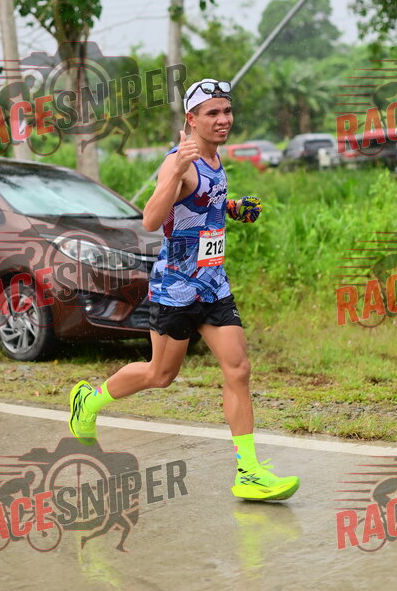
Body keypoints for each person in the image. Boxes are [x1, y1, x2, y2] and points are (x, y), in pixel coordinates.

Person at [68, 78, 300, 501]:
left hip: (213, 284)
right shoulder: (181, 162)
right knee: (160, 375)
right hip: (176, 288)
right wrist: (175, 170)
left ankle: (248, 471)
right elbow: (151, 219)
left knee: (238, 368)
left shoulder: (212, 158)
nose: (223, 119)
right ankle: (90, 400)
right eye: (212, 113)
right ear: (191, 119)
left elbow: (200, 203)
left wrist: (233, 207)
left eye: (226, 111)